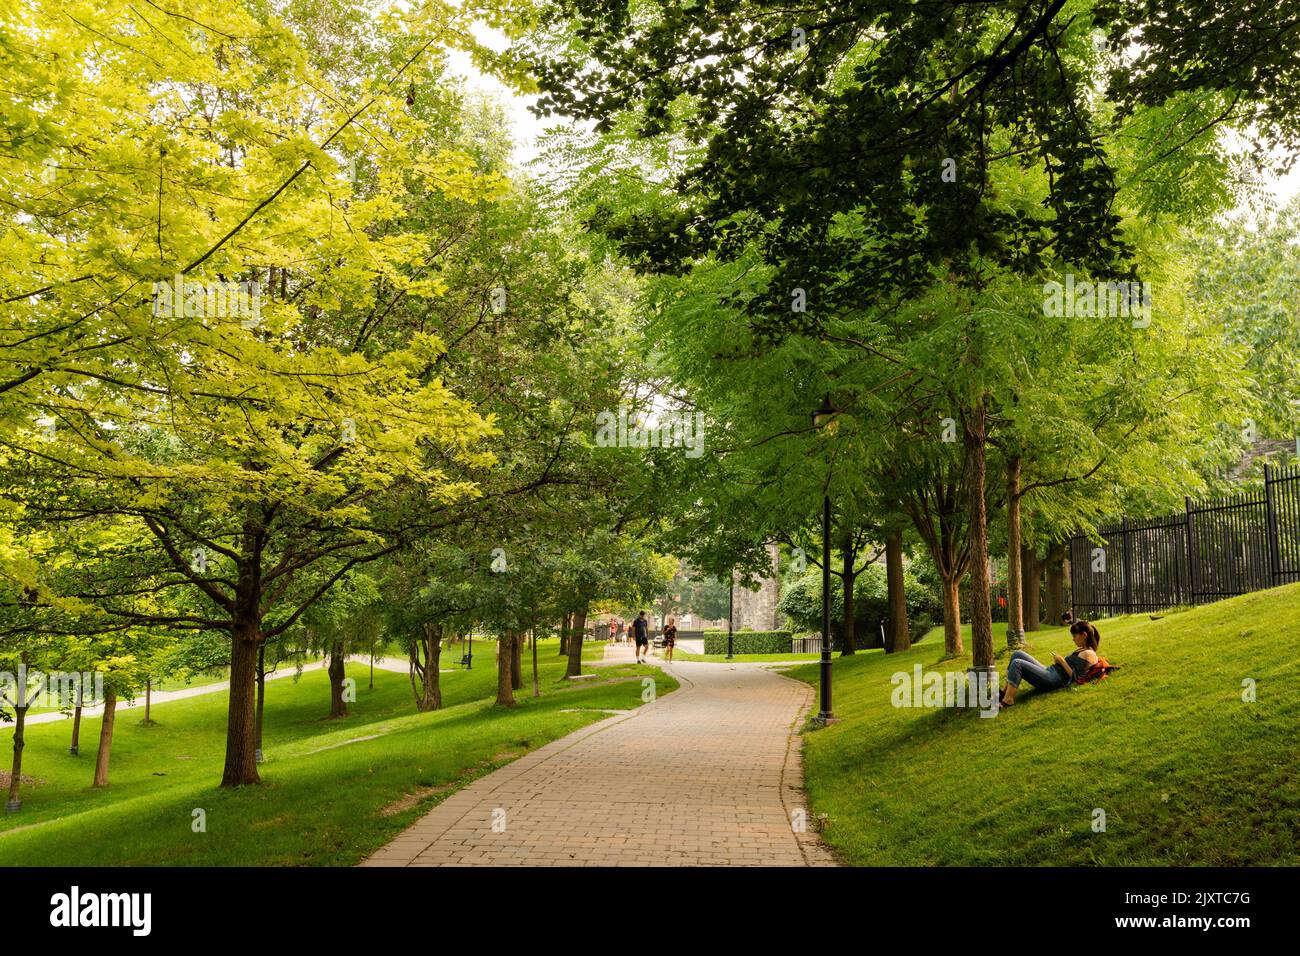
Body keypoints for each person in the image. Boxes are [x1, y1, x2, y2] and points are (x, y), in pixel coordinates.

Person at [997, 620, 1100, 707]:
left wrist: (1062, 661)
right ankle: (1004, 691)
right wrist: (1059, 662)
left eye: (1075, 636)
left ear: (1084, 635)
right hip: (1051, 671)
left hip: (1054, 679)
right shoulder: (1084, 650)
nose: (1073, 639)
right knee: (1017, 654)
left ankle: (1008, 699)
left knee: (1017, 663)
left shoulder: (1088, 654)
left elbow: (1078, 679)